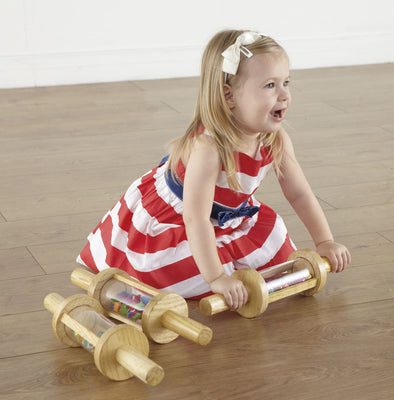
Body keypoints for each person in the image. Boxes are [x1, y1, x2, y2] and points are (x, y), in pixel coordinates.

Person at [77, 30, 351, 311]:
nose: (284, 95)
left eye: (286, 82)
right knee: (174, 271)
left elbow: (300, 195)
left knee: (278, 244)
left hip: (224, 217)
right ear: (229, 96)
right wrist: (216, 277)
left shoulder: (275, 140)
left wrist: (325, 241)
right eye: (270, 85)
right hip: (180, 220)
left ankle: (224, 261)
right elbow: (195, 219)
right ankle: (207, 270)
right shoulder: (209, 149)